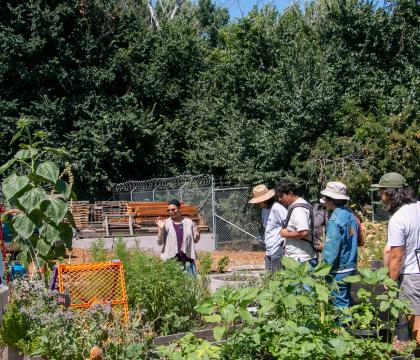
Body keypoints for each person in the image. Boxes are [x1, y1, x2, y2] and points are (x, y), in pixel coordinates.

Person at [371, 172, 420, 344]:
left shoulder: (398, 218)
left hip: (412, 275)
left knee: (416, 326)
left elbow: (396, 257)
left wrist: (390, 282)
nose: (379, 196)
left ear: (390, 193)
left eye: (381, 192)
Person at [320, 182, 358, 308]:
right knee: (346, 300)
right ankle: (348, 326)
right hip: (350, 266)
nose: (324, 201)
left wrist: (322, 270)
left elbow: (331, 251)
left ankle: (344, 327)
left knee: (340, 304)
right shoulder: (350, 214)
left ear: (332, 199)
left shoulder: (334, 220)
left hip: (339, 270)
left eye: (325, 198)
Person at [276, 181, 317, 266]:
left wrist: (286, 234)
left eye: (281, 196)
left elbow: (304, 232)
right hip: (299, 257)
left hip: (301, 259)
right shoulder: (297, 205)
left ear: (290, 193)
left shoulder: (299, 209)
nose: (279, 199)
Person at [156, 199, 200, 275]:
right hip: (171, 261)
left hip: (188, 260)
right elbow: (159, 243)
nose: (170, 212)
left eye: (173, 209)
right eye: (168, 210)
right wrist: (161, 229)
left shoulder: (189, 222)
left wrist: (197, 236)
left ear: (179, 209)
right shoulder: (165, 223)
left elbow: (195, 240)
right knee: (174, 285)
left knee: (191, 285)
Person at [249, 184, 287, 272]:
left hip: (278, 248)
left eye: (259, 201)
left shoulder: (277, 208)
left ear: (266, 199)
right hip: (269, 250)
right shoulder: (264, 210)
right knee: (268, 278)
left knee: (277, 278)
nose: (257, 203)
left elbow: (288, 224)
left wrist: (284, 241)